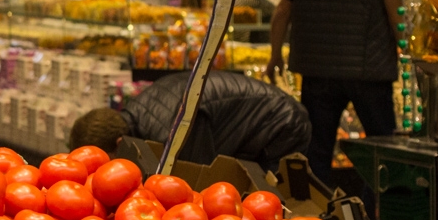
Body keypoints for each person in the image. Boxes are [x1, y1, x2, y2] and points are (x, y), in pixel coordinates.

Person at [266, 0, 399, 181]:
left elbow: (283, 11)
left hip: (318, 74)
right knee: (385, 153)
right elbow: (395, 15)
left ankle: (316, 219)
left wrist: (275, 55)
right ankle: (374, 215)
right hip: (370, 74)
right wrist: (408, 52)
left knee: (315, 155)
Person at [68, 71, 311, 172]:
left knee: (271, 203)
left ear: (119, 143)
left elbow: (196, 181)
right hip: (255, 123)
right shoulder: (139, 111)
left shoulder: (170, 133)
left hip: (282, 124)